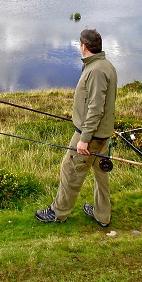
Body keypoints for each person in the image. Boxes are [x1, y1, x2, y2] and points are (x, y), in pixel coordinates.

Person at [35, 28, 118, 228]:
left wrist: (84, 139)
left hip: (90, 136)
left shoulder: (96, 70)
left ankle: (58, 212)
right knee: (101, 176)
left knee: (70, 171)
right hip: (102, 135)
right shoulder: (105, 65)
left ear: (84, 46)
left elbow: (96, 109)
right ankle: (102, 214)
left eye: (80, 44)